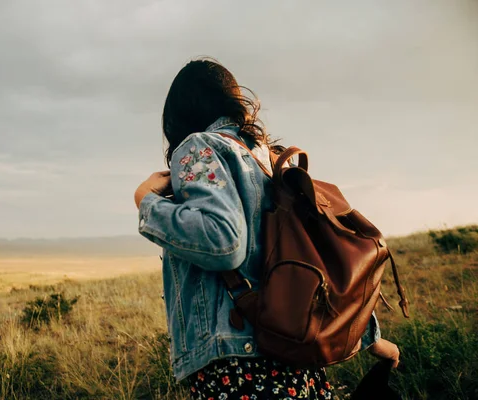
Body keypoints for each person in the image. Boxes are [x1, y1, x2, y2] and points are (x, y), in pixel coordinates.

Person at [135, 58, 400, 400]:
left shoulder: (200, 146)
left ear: (178, 113)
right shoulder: (273, 161)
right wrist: (370, 337)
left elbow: (223, 242)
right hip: (293, 355)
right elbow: (320, 260)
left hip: (237, 366)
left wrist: (146, 202)